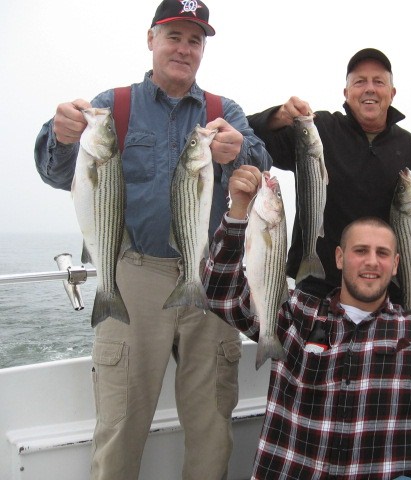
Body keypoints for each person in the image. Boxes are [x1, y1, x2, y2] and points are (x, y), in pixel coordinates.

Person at [33, 1, 272, 479]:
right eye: (175, 36)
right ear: (151, 39)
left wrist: (239, 150)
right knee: (122, 422)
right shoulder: (114, 105)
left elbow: (260, 167)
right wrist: (60, 138)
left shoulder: (225, 112)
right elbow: (58, 174)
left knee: (211, 424)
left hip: (210, 278)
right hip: (133, 273)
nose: (185, 49)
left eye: (195, 40)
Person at [204, 164, 411, 480]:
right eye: (360, 250)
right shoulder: (295, 313)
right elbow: (219, 294)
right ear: (339, 258)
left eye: (382, 253)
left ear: (395, 265)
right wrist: (239, 210)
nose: (371, 261)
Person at [247, 48, 411, 303]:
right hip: (318, 290)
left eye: (378, 81)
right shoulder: (319, 129)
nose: (369, 89)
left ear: (391, 93)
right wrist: (278, 116)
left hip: (384, 296)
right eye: (359, 82)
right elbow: (248, 136)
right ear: (346, 93)